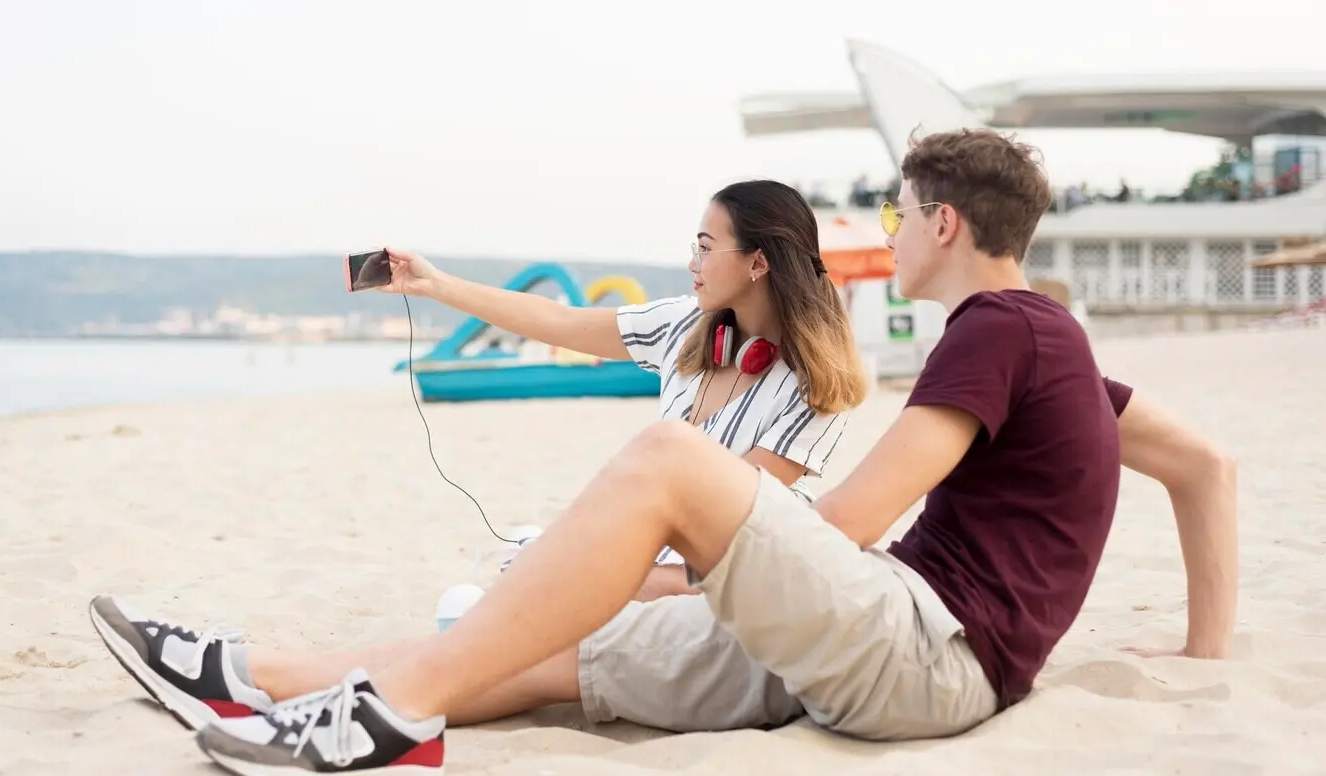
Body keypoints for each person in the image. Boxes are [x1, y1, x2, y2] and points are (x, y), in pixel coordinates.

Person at [98, 130, 1237, 775]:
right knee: (546, 653)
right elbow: (1205, 467)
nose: (885, 234)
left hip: (922, 657)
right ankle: (245, 674)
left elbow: (842, 525)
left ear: (946, 225)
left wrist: (685, 539)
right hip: (875, 654)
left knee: (665, 462)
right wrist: (1203, 648)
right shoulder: (1053, 349)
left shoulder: (998, 330)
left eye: (897, 215)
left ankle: (391, 717)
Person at [87, 179, 868, 727]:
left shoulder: (813, 386)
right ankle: (256, 676)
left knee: (484, 628)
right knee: (480, 618)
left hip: (721, 599)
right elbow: (554, 321)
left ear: (757, 261)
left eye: (706, 245)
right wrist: (436, 285)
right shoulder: (690, 333)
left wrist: (603, 575)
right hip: (649, 574)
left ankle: (249, 674)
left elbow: (738, 546)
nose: (692, 261)